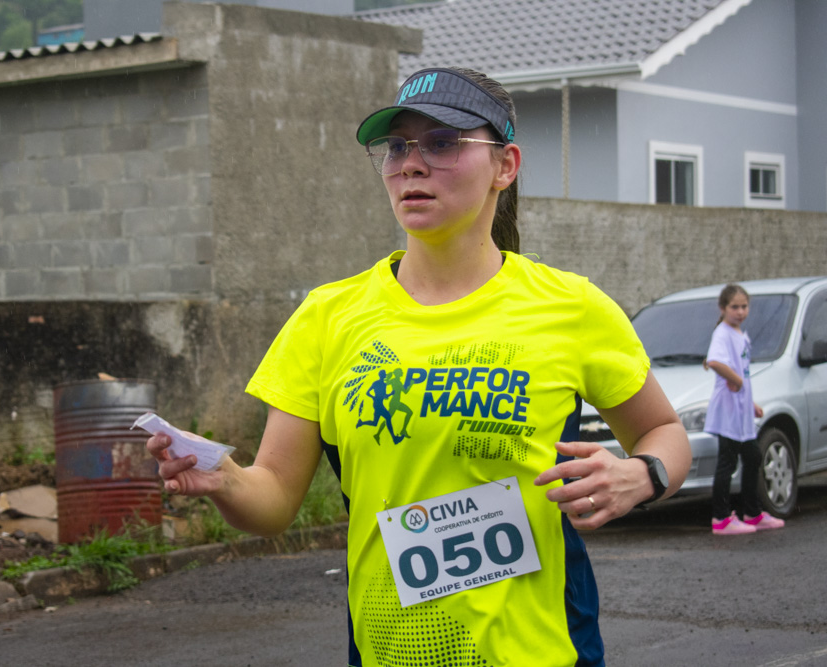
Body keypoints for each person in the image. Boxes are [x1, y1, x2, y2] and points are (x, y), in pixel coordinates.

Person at [146, 66, 691, 667]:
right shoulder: (328, 317)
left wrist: (643, 476)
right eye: (398, 146)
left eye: (442, 143)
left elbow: (663, 433)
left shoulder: (572, 307)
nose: (410, 163)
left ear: (504, 166)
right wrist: (223, 478)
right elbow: (273, 499)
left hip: (543, 652)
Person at [704, 284, 785, 535]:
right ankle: (721, 519)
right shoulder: (723, 333)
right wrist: (737, 382)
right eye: (734, 307)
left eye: (744, 306)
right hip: (727, 409)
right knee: (727, 462)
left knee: (752, 457)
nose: (740, 312)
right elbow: (715, 361)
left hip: (740, 410)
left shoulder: (740, 333)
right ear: (723, 308)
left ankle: (752, 513)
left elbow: (740, 368)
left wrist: (750, 403)